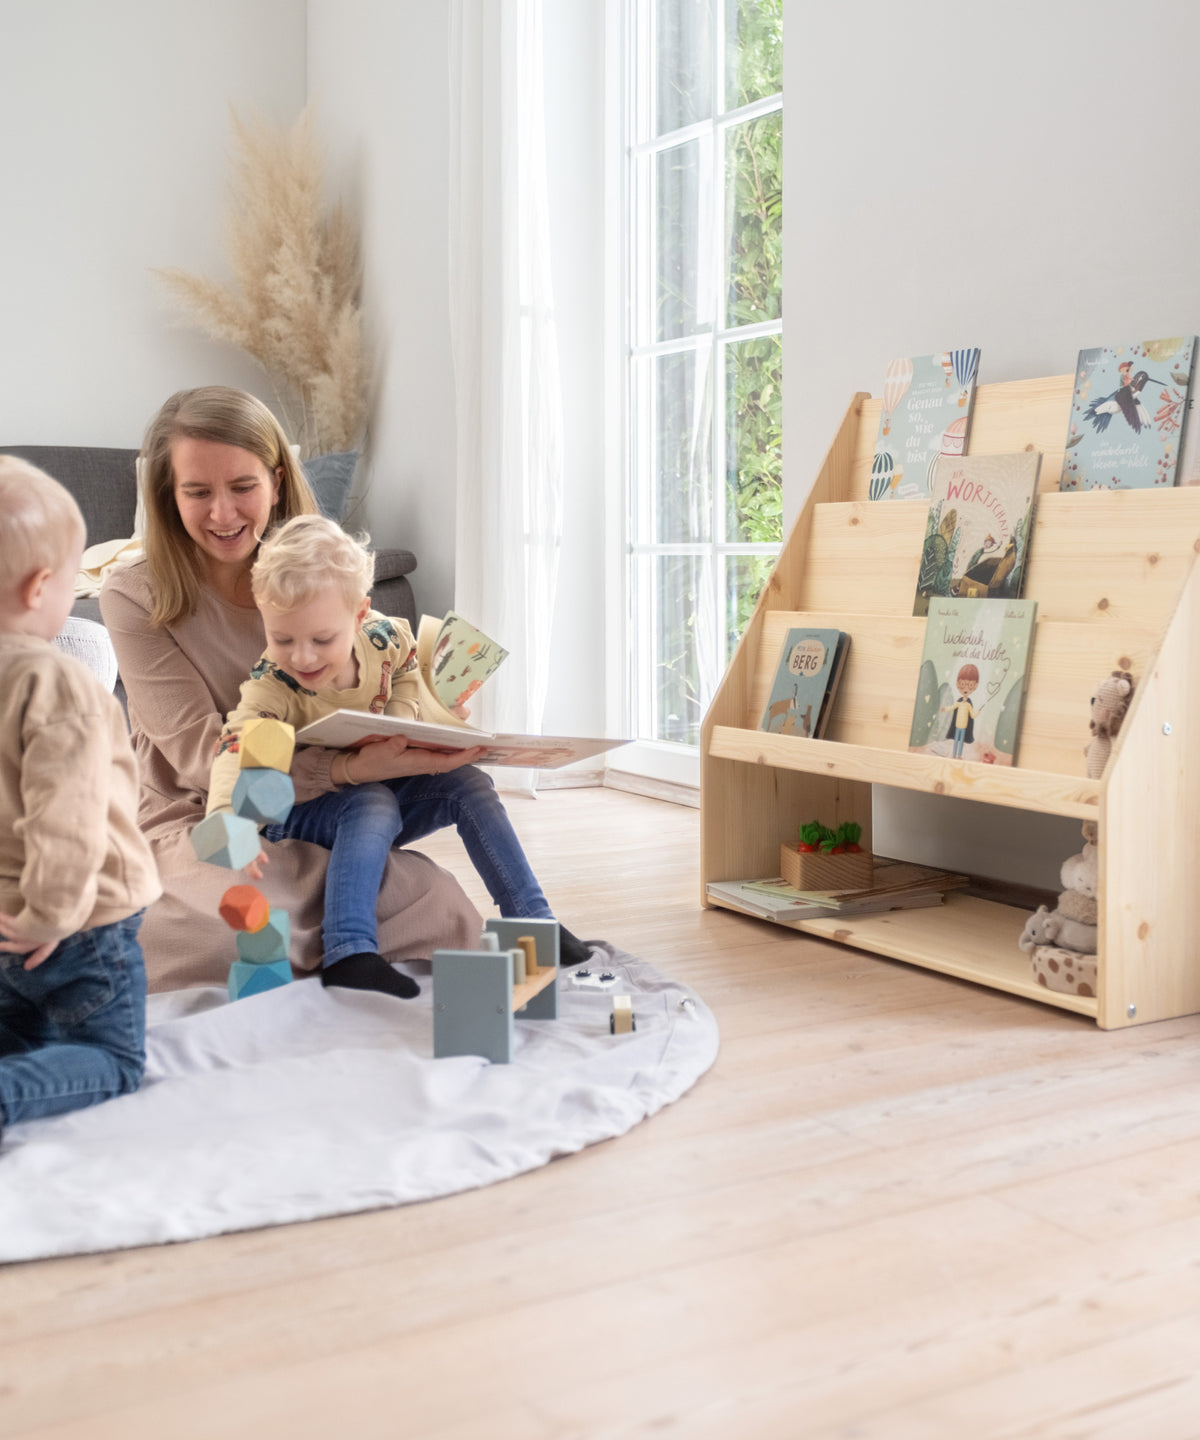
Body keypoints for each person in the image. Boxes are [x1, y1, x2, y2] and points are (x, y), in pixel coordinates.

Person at [100, 386, 485, 991]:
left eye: (242, 487)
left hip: (324, 814)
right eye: (197, 492)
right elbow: (203, 757)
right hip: (204, 814)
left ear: (277, 482)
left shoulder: (317, 580)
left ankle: (333, 933)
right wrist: (343, 772)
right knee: (233, 924)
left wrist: (433, 715)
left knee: (440, 899)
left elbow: (379, 693)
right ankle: (323, 937)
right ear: (169, 498)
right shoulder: (132, 595)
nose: (222, 514)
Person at [206, 514, 593, 999]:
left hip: (379, 788)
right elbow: (237, 742)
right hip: (299, 812)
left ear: (360, 614)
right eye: (282, 639)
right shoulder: (273, 682)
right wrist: (228, 818)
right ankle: (349, 952)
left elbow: (408, 668)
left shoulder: (385, 636)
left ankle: (535, 922)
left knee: (470, 784)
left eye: (321, 639)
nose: (301, 657)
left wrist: (408, 716)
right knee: (372, 802)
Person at [0, 458, 160, 1138]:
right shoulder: (54, 683)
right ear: (42, 587)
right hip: (77, 925)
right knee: (112, 1059)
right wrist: (51, 913)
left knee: (22, 1035)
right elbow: (70, 815)